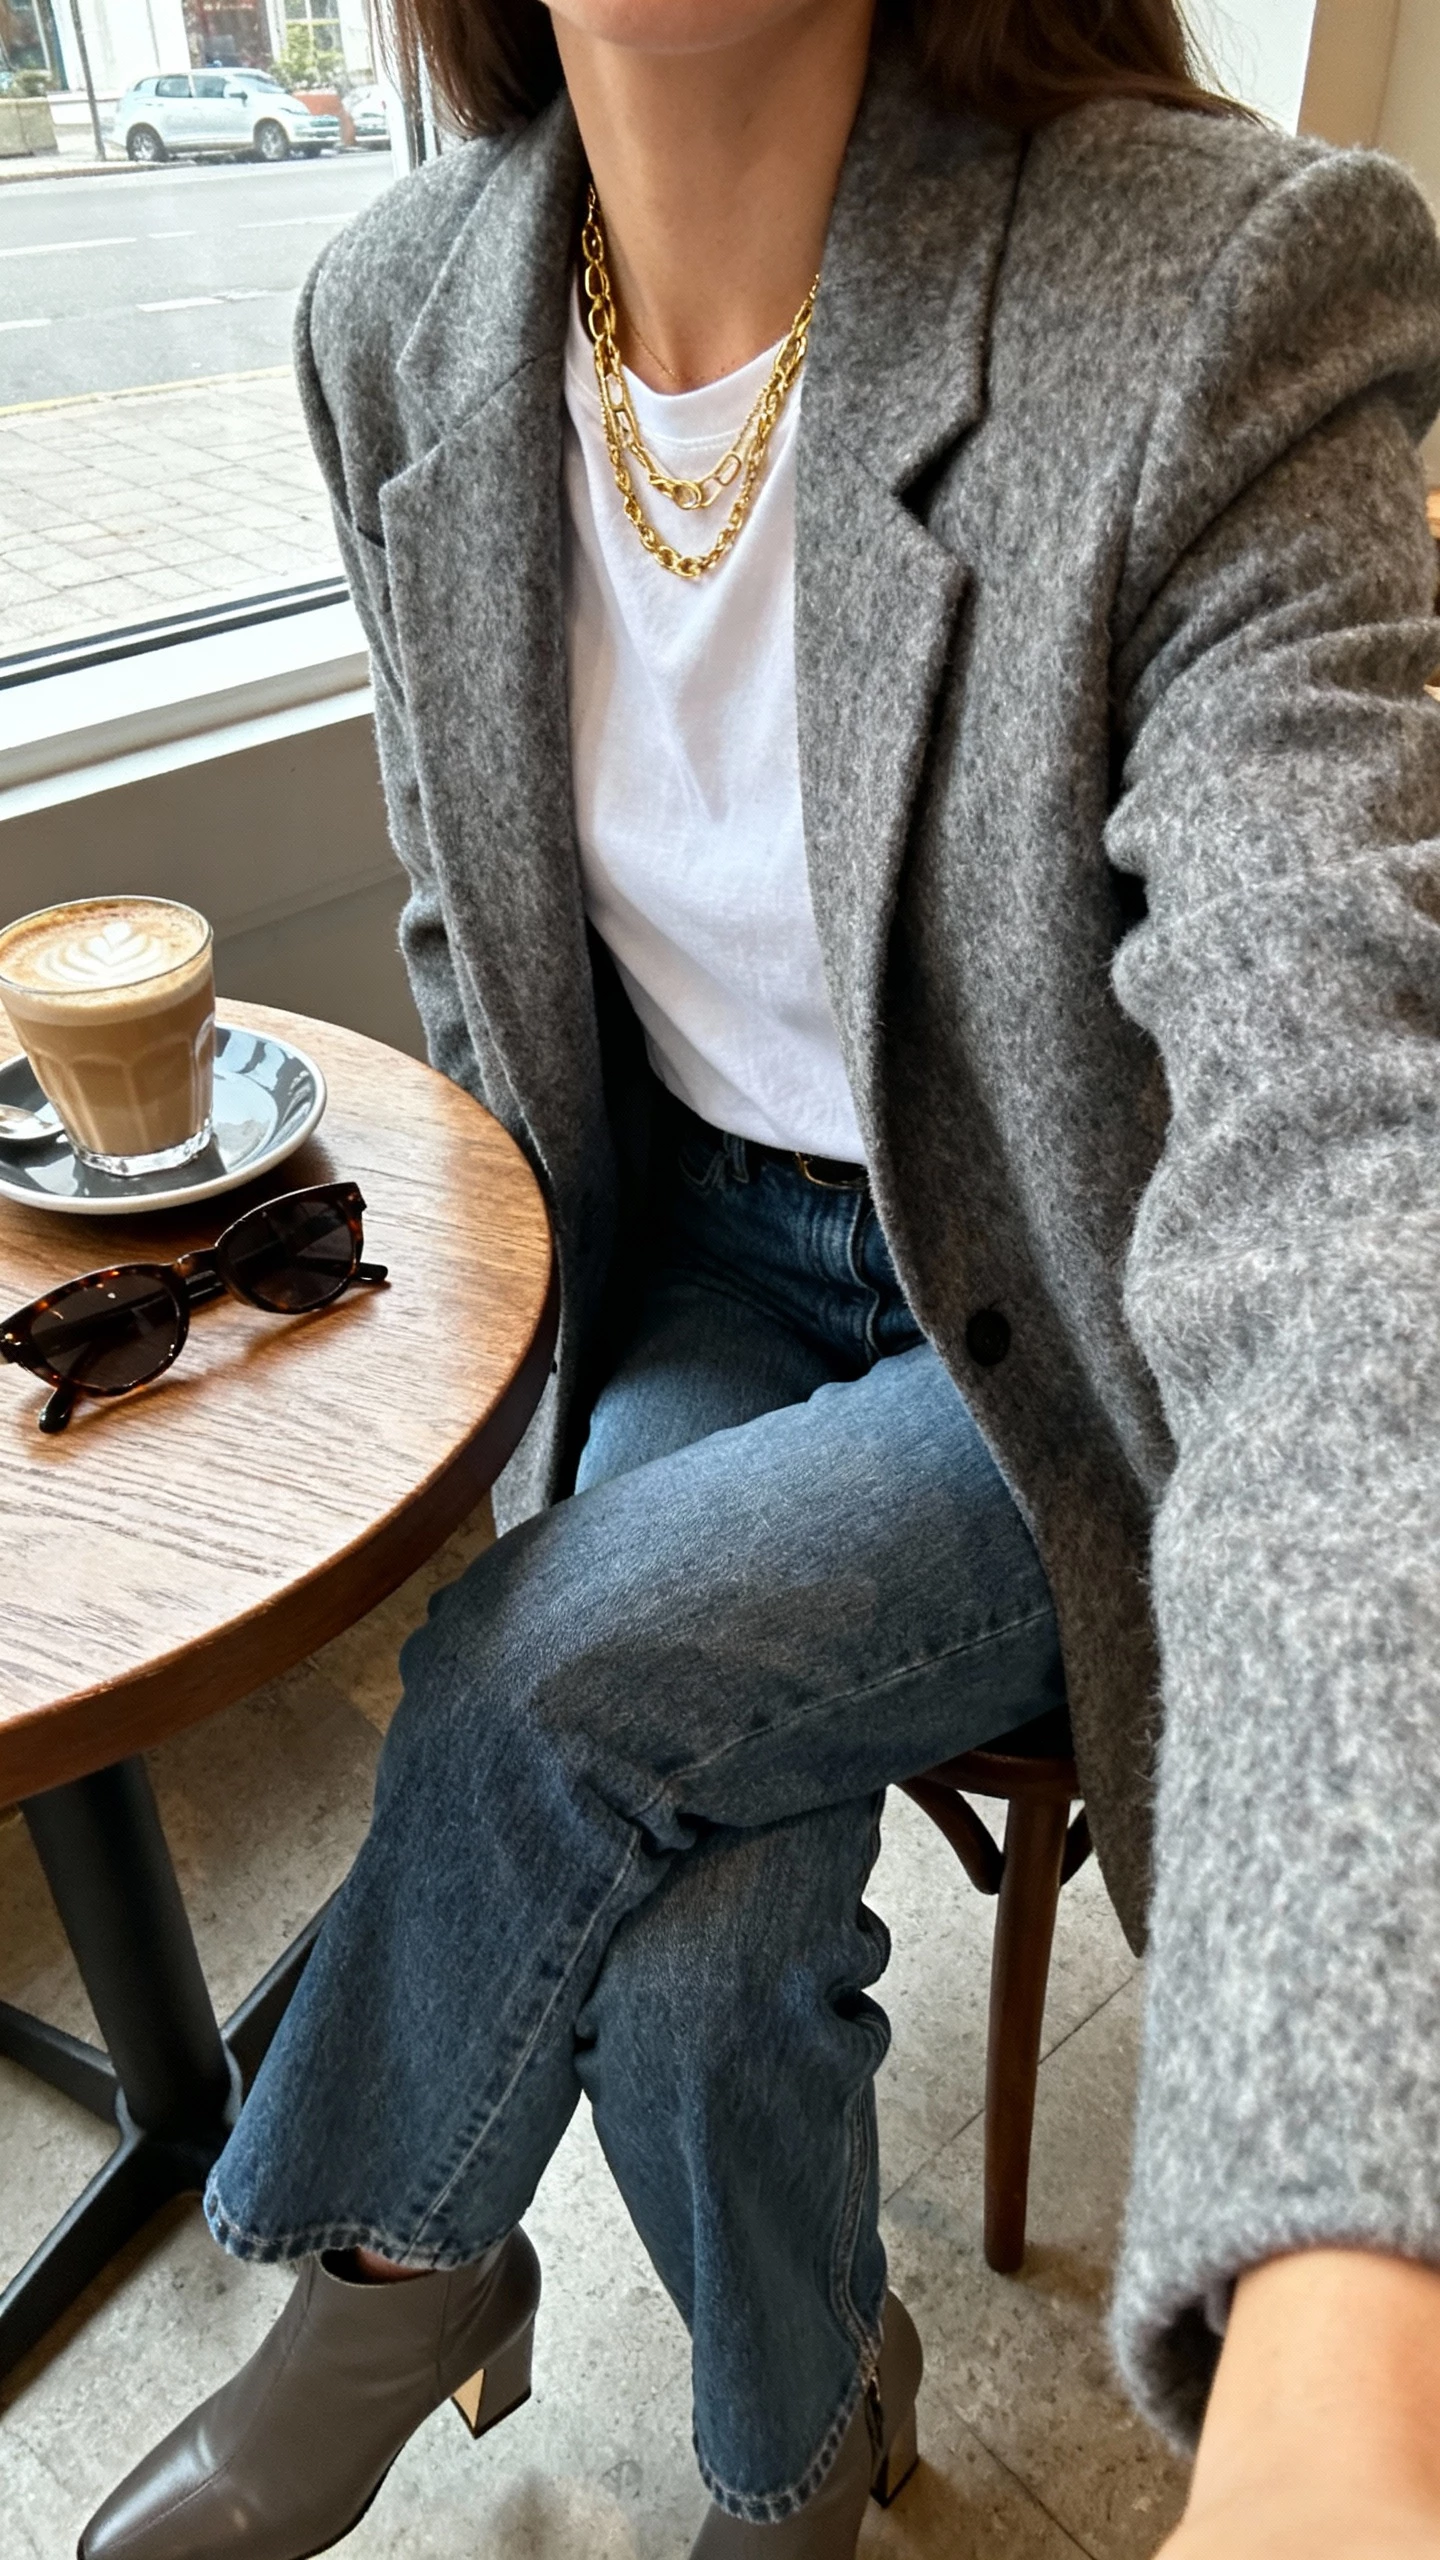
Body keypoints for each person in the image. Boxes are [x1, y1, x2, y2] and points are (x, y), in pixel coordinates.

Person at [81, 2, 1440, 2556]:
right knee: (701, 1959)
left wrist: (1355, 2326)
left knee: (530, 1676)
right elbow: (470, 939)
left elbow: (1360, 1187)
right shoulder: (396, 316)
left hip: (1053, 1335)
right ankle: (804, 2455)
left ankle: (393, 2268)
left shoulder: (1214, 294)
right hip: (705, 1261)